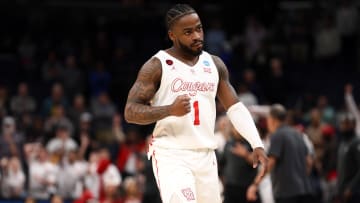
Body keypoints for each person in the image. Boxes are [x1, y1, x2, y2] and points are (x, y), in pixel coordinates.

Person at [124, 4, 267, 203]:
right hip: (171, 153)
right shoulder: (157, 65)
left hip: (206, 155)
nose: (196, 36)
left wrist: (256, 143)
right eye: (188, 32)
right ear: (172, 35)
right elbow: (130, 111)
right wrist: (169, 110)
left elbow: (234, 106)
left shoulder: (214, 64)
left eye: (199, 28)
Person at [249, 104, 313, 203]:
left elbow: (270, 163)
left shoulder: (277, 135)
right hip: (305, 191)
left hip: (287, 193)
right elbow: (309, 161)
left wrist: (255, 184)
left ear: (272, 119)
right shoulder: (298, 134)